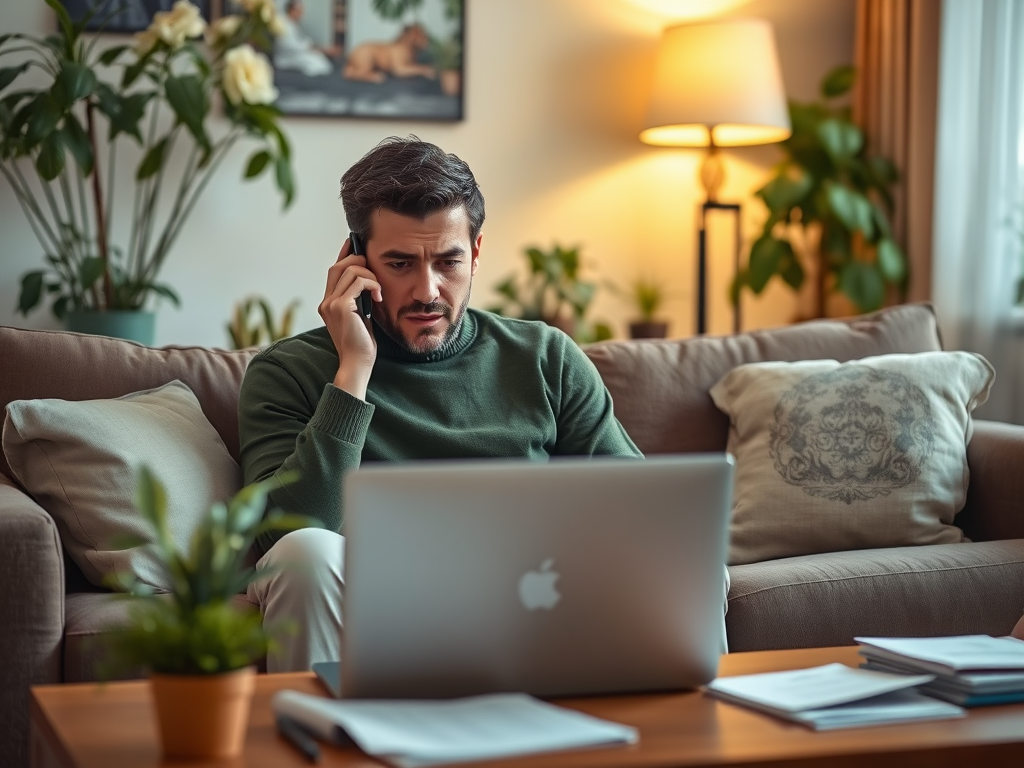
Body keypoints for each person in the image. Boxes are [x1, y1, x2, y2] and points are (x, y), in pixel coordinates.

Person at [238, 136, 643, 672]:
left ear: (475, 253)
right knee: (303, 555)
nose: (427, 290)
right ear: (357, 262)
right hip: (373, 602)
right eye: (400, 263)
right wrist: (353, 373)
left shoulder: (546, 357)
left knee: (689, 558)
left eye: (448, 261)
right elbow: (287, 534)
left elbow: (641, 511)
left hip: (529, 596)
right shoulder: (288, 371)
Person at [273, 0, 338, 77]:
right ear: (292, 10)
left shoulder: (293, 24)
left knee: (320, 60)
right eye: (299, 11)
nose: (301, 14)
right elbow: (288, 46)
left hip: (297, 52)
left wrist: (314, 48)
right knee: (316, 63)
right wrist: (311, 48)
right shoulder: (284, 24)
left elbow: (301, 41)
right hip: (286, 57)